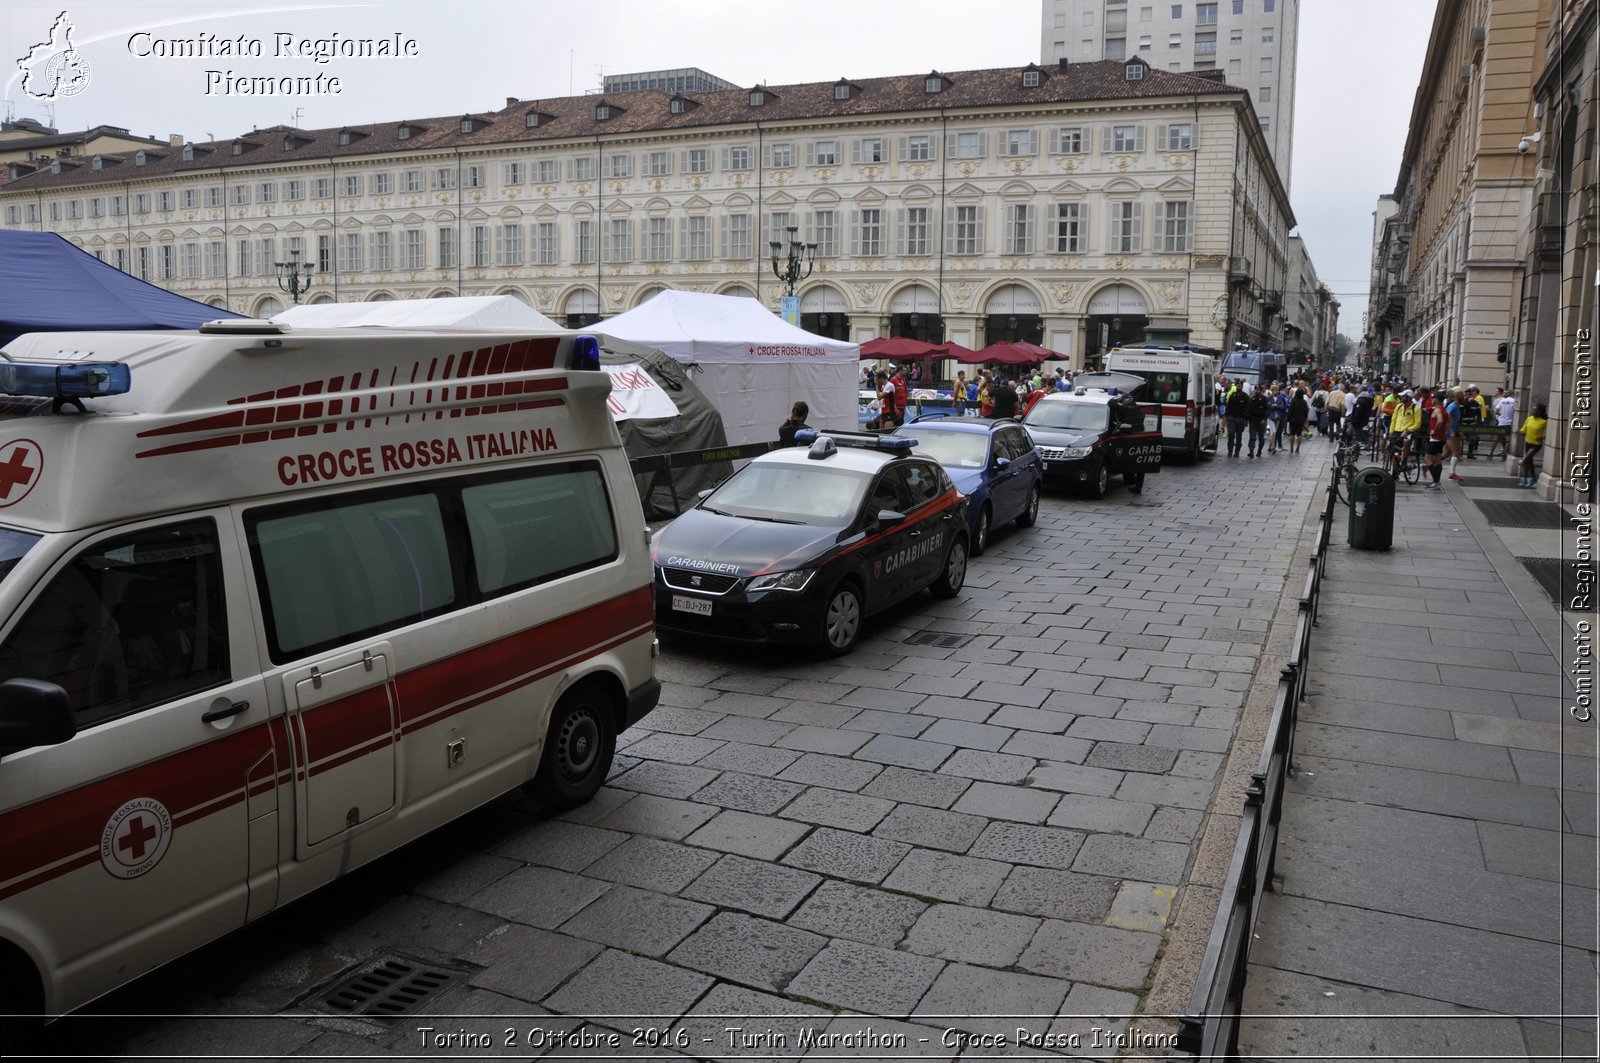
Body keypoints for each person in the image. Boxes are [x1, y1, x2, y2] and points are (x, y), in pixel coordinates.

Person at [1388, 390, 1423, 479]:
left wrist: (1408, 430)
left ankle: (1404, 461)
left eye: (1403, 396)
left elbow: (1417, 423)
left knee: (1406, 440)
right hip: (1397, 431)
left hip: (1409, 431)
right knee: (1395, 453)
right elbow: (1394, 420)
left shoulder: (1416, 408)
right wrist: (1391, 431)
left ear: (1408, 397)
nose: (1401, 398)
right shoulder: (1399, 406)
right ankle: (1394, 473)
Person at [1423, 390, 1449, 489]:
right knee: (1438, 459)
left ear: (1437, 400)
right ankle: (1436, 482)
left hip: (1436, 438)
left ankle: (1436, 481)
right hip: (1441, 438)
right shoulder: (1443, 409)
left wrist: (1435, 430)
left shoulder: (1438, 410)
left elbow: (1440, 421)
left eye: (1433, 398)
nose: (1431, 400)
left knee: (1427, 458)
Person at [1519, 403, 1548, 487]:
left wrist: (1543, 437)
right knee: (1529, 462)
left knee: (1525, 460)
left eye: (1534, 409)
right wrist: (1518, 431)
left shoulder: (1544, 421)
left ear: (1539, 412)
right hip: (1528, 442)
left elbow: (1550, 432)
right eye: (1532, 409)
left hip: (1536, 444)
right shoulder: (1529, 419)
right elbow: (1524, 429)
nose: (1532, 411)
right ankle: (1528, 478)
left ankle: (1528, 474)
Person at [1223, 379, 1249, 457]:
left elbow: (1247, 408)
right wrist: (1226, 417)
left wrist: (1245, 418)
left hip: (1240, 419)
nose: (1238, 386)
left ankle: (1237, 451)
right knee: (1231, 434)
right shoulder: (1232, 395)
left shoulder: (1245, 396)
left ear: (1242, 386)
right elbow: (1228, 407)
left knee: (1239, 436)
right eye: (1237, 385)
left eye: (1240, 385)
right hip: (1232, 418)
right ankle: (1230, 450)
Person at [1246, 385, 1270, 458]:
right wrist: (1248, 418)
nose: (1257, 391)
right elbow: (1248, 409)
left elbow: (1267, 410)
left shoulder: (1264, 399)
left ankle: (1259, 451)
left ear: (1261, 390)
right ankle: (1251, 451)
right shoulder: (1252, 399)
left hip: (1261, 421)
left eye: (1258, 390)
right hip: (1253, 420)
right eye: (1256, 389)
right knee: (1252, 437)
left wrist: (1264, 419)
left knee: (1261, 438)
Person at [1285, 386, 1309, 454]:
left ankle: (1291, 447)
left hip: (1293, 420)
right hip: (1300, 420)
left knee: (1292, 434)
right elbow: (1306, 411)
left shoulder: (1293, 400)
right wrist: (1305, 419)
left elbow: (1290, 410)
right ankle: (1298, 448)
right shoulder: (1304, 402)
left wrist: (1288, 418)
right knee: (1299, 434)